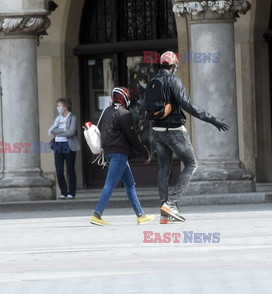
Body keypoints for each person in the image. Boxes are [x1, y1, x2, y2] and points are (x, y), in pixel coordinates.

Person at [151, 51, 229, 224]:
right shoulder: (174, 81)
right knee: (192, 163)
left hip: (156, 129)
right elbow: (188, 105)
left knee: (163, 168)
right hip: (174, 130)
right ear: (173, 66)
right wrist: (211, 119)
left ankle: (164, 212)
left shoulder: (152, 82)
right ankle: (172, 203)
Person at [90, 87, 156, 226]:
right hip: (119, 154)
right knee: (110, 184)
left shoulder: (107, 111)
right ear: (124, 97)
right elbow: (132, 137)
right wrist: (144, 152)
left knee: (130, 184)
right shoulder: (124, 113)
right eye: (128, 95)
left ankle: (140, 215)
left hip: (109, 153)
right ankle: (97, 214)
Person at [48, 98, 80, 199]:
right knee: (59, 170)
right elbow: (52, 130)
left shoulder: (72, 118)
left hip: (68, 145)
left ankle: (71, 193)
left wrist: (58, 131)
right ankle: (63, 192)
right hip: (58, 144)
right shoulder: (58, 119)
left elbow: (71, 132)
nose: (58, 108)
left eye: (59, 106)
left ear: (65, 107)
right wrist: (63, 130)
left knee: (70, 169)